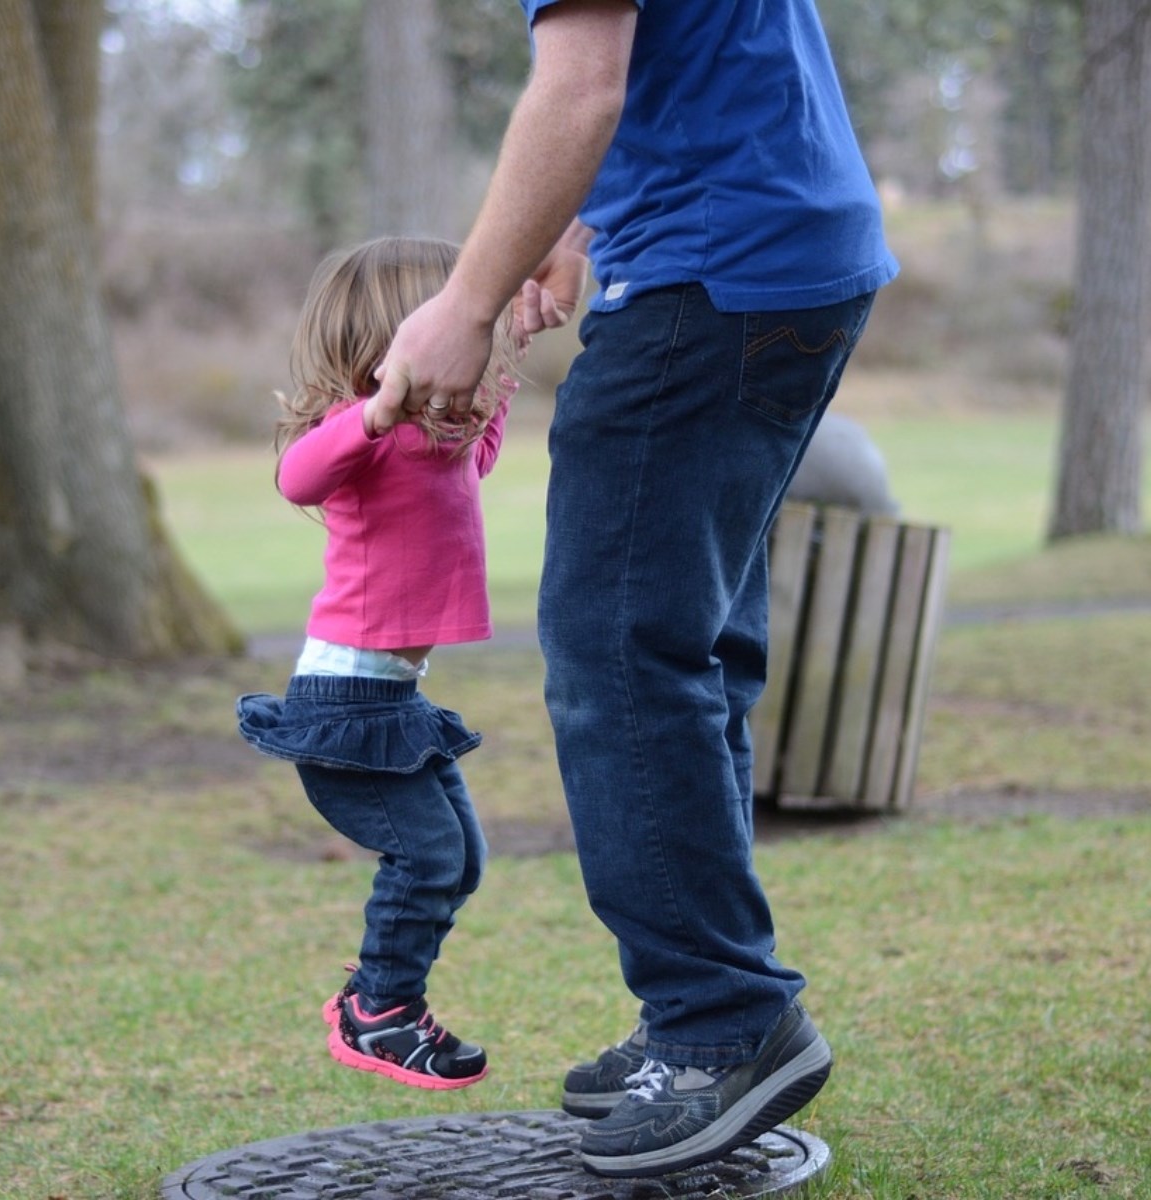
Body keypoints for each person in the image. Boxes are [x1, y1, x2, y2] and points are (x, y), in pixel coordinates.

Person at [372, 0, 899, 1177]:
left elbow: (581, 87)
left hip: (708, 277)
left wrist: (464, 303)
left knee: (619, 655)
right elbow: (682, 65)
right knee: (691, 646)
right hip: (787, 255)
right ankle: (703, 1016)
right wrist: (580, 222)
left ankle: (722, 1022)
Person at [236, 236, 521, 1091]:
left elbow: (481, 454)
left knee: (462, 858)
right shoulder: (357, 439)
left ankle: (378, 997)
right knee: (431, 859)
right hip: (344, 703)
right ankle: (382, 1013)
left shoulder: (436, 446)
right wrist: (373, 411)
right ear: (397, 340)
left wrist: (509, 357)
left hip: (391, 701)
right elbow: (294, 478)